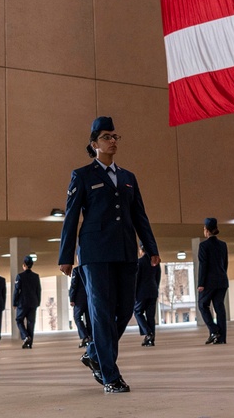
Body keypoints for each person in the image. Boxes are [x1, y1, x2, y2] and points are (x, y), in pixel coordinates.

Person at [59, 116, 160, 394]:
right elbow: (71, 218)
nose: (113, 141)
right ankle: (110, 374)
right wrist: (66, 255)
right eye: (107, 137)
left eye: (116, 137)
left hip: (126, 251)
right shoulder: (82, 175)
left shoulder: (128, 178)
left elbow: (140, 215)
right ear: (94, 144)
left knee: (126, 309)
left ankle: (94, 352)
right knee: (102, 313)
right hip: (95, 254)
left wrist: (151, 248)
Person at [197, 218, 228, 345]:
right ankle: (221, 338)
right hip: (222, 280)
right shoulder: (223, 245)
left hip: (209, 282)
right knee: (219, 307)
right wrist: (222, 275)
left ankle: (214, 330)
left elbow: (203, 265)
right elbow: (225, 264)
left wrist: (201, 283)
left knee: (202, 305)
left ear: (207, 230)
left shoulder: (204, 245)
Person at [134, 244, 162, 347]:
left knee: (137, 312)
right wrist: (155, 288)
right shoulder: (155, 262)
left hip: (142, 292)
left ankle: (148, 333)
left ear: (141, 249)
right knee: (151, 316)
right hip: (153, 291)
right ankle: (151, 339)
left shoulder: (139, 262)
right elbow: (157, 277)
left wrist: (134, 293)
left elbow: (136, 279)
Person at [13, 256, 41, 349]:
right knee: (31, 322)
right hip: (33, 302)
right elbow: (38, 290)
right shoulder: (36, 276)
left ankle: (26, 336)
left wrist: (14, 302)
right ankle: (30, 343)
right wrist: (38, 302)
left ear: (24, 265)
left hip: (23, 303)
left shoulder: (20, 276)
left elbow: (17, 290)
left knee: (19, 320)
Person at [69, 266, 91, 348]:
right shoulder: (90, 268)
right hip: (90, 297)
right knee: (89, 319)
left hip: (79, 299)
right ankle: (91, 338)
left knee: (77, 317)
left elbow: (74, 284)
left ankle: (85, 337)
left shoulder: (77, 270)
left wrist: (72, 298)